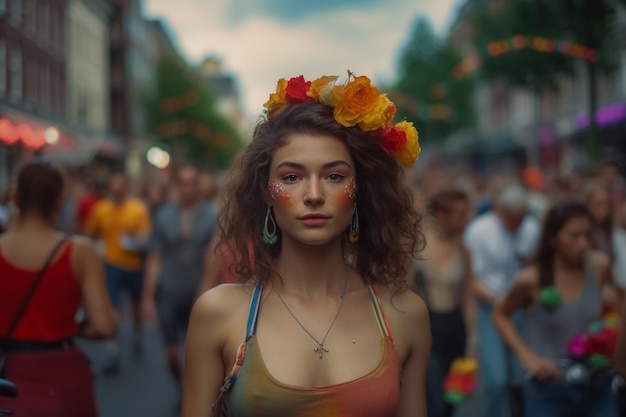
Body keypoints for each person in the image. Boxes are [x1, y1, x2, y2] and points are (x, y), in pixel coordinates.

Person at [182, 73, 430, 417]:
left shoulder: (405, 314)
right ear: (266, 191)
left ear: (361, 189)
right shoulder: (218, 313)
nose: (314, 195)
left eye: (334, 176)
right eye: (291, 177)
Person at [0, 161, 117, 417]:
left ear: (15, 197)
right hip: (64, 375)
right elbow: (105, 326)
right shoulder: (80, 251)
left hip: (10, 374)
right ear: (59, 202)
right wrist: (74, 325)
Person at [493, 200, 621, 416]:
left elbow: (609, 311)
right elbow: (500, 315)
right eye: (574, 236)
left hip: (597, 385)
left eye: (588, 235)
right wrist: (528, 358)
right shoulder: (531, 280)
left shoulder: (599, 266)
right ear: (552, 238)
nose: (583, 243)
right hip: (548, 390)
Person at [463, 182, 541, 417]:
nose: (517, 224)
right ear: (500, 211)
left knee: (523, 374)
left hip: (522, 309)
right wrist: (497, 300)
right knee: (496, 379)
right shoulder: (478, 231)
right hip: (491, 309)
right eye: (511, 219)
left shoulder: (531, 228)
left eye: (521, 218)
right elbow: (471, 279)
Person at [141, 163, 216, 390]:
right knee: (172, 353)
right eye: (183, 183)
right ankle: (182, 388)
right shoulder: (164, 215)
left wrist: (204, 294)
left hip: (197, 290)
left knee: (196, 353)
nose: (188, 188)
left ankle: (194, 395)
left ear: (198, 185)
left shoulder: (211, 215)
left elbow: (213, 260)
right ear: (177, 186)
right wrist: (147, 297)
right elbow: (155, 257)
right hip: (169, 291)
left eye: (192, 182)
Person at [412, 188, 476, 417]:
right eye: (460, 213)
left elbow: (467, 296)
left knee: (452, 399)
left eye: (467, 213)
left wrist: (472, 340)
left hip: (454, 327)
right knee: (434, 402)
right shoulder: (419, 245)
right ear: (442, 214)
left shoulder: (464, 251)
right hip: (428, 329)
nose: (466, 219)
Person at [84, 172, 151, 374]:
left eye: (120, 188)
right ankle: (112, 350)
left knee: (135, 304)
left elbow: (146, 236)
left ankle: (137, 337)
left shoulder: (137, 209)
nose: (116, 191)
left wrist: (136, 241)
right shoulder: (101, 208)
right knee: (113, 306)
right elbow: (90, 231)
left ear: (126, 188)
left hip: (134, 265)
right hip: (111, 264)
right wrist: (97, 244)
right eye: (113, 188)